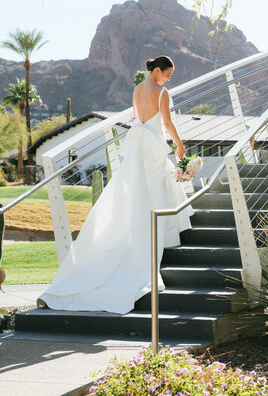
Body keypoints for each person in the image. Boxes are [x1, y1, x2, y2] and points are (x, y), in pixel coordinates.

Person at [39, 55, 193, 314]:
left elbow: (137, 117)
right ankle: (159, 234)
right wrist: (178, 143)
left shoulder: (136, 89)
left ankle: (145, 228)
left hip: (138, 144)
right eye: (168, 73)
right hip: (152, 143)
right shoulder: (162, 93)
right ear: (157, 70)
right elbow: (166, 122)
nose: (169, 78)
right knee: (157, 188)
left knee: (140, 190)